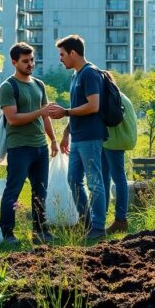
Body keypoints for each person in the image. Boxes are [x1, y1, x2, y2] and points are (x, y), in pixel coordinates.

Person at [48, 35, 108, 241]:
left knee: (94, 182)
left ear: (73, 53)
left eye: (62, 54)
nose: (60, 59)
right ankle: (86, 223)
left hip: (91, 136)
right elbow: (75, 109)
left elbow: (93, 106)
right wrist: (66, 133)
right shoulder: (75, 75)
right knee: (73, 180)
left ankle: (98, 227)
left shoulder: (89, 74)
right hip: (78, 136)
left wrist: (65, 112)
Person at [0, 42, 58, 245]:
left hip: (40, 147)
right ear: (14, 62)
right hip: (19, 147)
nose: (30, 64)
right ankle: (7, 234)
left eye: (32, 60)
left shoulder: (39, 85)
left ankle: (40, 231)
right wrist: (40, 113)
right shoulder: (8, 87)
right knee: (12, 191)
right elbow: (13, 118)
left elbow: (46, 117)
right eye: (25, 61)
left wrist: (53, 140)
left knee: (40, 191)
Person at [101, 91, 137, 234]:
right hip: (110, 141)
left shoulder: (111, 97)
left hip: (112, 142)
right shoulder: (120, 96)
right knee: (105, 179)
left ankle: (121, 220)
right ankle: (101, 217)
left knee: (117, 178)